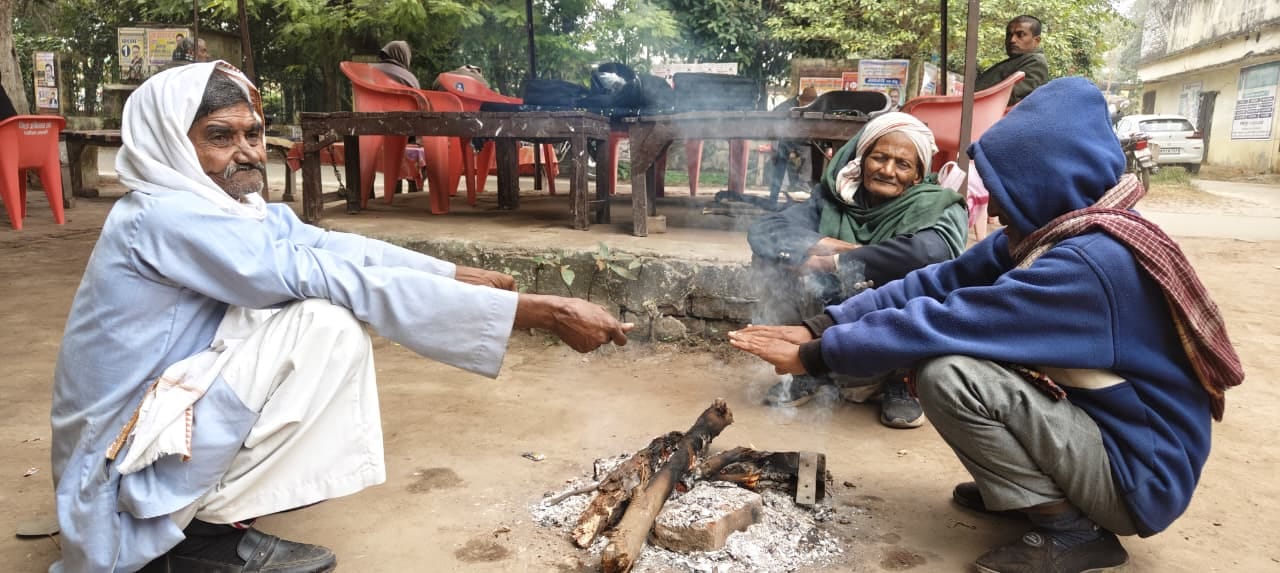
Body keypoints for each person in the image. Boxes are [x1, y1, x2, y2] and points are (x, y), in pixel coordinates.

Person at [50, 61, 632, 573]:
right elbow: (324, 274)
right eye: (220, 137)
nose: (247, 152)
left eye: (252, 133)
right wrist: (537, 312)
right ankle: (187, 538)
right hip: (113, 470)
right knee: (322, 324)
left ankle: (196, 515)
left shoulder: (227, 206)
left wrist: (451, 273)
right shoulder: (164, 215)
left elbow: (327, 246)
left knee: (310, 312)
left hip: (152, 422)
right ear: (169, 143)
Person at [730, 78, 1243, 573]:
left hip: (1140, 476)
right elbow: (937, 282)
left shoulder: (1089, 265)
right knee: (959, 360)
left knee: (949, 373)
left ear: (1045, 182)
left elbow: (944, 320)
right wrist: (824, 324)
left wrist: (818, 355)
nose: (993, 209)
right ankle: (1033, 490)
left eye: (1003, 190)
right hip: (1112, 437)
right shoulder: (1052, 232)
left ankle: (1073, 531)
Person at [747, 112, 968, 428]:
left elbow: (927, 252)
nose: (887, 170)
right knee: (775, 258)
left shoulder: (938, 205)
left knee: (921, 277)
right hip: (828, 317)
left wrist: (836, 260)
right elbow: (764, 230)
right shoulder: (835, 198)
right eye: (879, 158)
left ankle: (900, 381)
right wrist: (829, 246)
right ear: (862, 160)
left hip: (889, 324)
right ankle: (809, 369)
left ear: (918, 175)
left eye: (902, 164)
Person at [975, 15, 1049, 105]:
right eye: (1009, 35)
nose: (1012, 40)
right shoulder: (1017, 60)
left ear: (1036, 40)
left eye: (1020, 35)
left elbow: (1012, 96)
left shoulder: (1036, 62)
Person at [765, 86, 818, 206]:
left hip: (801, 137)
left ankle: (804, 184)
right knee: (781, 159)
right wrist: (775, 145)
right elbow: (774, 122)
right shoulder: (786, 106)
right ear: (800, 100)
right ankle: (776, 192)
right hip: (785, 137)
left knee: (809, 152)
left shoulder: (815, 107)